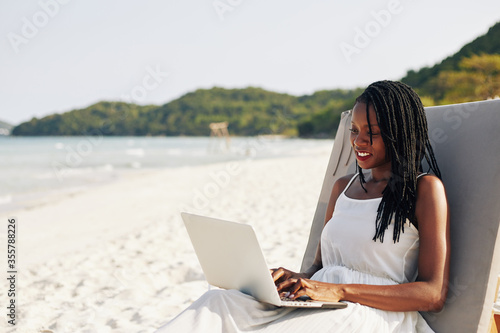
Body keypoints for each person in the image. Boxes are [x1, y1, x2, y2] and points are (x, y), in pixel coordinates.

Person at [156, 80, 450, 332]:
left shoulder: (424, 190)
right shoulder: (343, 188)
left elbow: (432, 293)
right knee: (217, 302)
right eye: (353, 129)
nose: (357, 141)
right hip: (319, 301)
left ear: (398, 132)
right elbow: (320, 268)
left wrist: (339, 291)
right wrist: (296, 279)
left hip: (370, 313)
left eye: (370, 132)